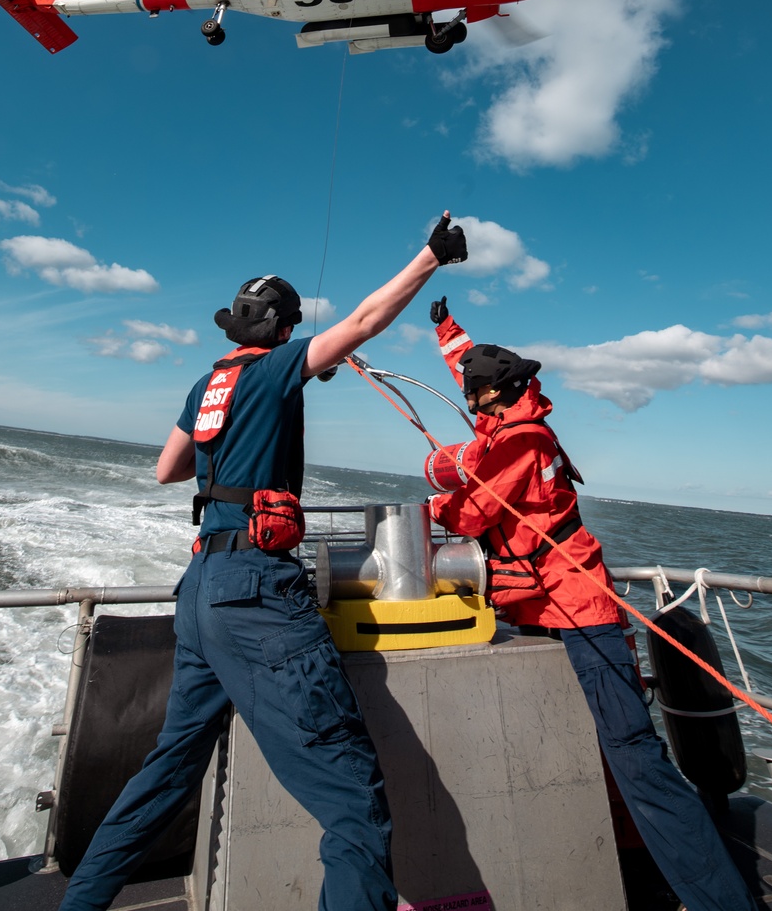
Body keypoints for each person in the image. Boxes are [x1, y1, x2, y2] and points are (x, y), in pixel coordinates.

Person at [56, 214, 468, 911]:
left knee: (168, 769)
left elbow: (168, 469)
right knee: (353, 804)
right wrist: (432, 254)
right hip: (255, 598)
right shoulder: (278, 368)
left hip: (200, 593)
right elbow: (366, 319)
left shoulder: (207, 383)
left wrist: (268, 408)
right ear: (282, 330)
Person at [423, 298, 755, 911]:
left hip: (578, 610)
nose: (467, 393)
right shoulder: (509, 414)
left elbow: (470, 512)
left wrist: (439, 494)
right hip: (542, 608)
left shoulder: (517, 442)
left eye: (474, 391)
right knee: (608, 752)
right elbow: (467, 370)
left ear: (491, 397)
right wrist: (445, 328)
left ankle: (722, 901)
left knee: (634, 756)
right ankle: (633, 860)